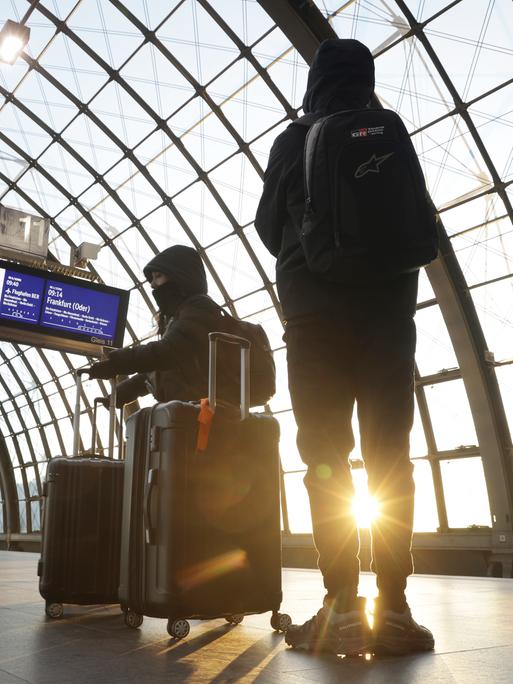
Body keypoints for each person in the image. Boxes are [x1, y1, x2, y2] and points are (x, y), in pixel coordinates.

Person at [255, 38, 434, 656]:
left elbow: (268, 226)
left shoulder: (295, 138)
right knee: (392, 458)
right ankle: (397, 606)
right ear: (368, 79)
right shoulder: (390, 135)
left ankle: (340, 604)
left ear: (316, 82)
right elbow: (418, 227)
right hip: (389, 319)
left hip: (317, 322)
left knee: (327, 459)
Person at [87, 245, 224, 406]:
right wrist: (122, 393)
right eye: (151, 278)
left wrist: (117, 363)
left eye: (158, 276)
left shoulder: (199, 308)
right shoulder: (180, 315)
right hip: (189, 409)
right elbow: (160, 369)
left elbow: (168, 351)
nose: (152, 284)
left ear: (180, 276)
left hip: (203, 412)